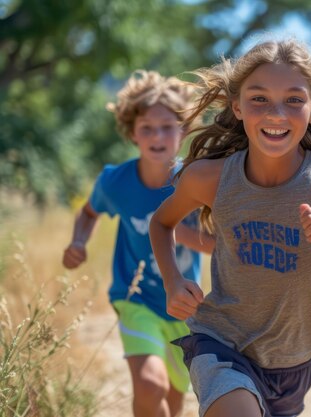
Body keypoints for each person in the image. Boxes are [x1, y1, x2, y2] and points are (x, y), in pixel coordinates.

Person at [149, 39, 311, 417]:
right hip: (221, 343)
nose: (276, 113)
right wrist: (173, 280)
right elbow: (161, 222)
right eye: (259, 99)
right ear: (237, 107)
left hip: (292, 360)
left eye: (294, 100)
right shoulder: (210, 178)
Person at [62, 70, 214, 417]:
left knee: (175, 399)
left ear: (184, 131)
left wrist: (174, 229)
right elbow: (87, 213)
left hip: (183, 304)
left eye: (167, 126)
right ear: (132, 133)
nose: (157, 136)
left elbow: (219, 246)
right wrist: (79, 242)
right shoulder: (115, 182)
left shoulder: (195, 182)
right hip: (133, 299)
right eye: (147, 127)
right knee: (150, 386)